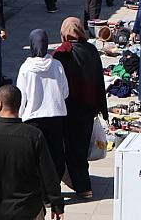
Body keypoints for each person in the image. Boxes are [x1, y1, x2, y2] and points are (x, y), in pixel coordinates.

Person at [0, 85, 64, 220]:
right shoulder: (34, 135)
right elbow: (48, 174)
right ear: (20, 105)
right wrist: (57, 203)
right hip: (28, 210)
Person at [53, 17, 109, 199]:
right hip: (87, 107)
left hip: (68, 108)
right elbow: (98, 79)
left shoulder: (61, 53)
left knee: (67, 147)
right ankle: (82, 184)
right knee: (80, 147)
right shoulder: (91, 50)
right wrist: (100, 105)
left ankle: (80, 185)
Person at [17, 29, 69, 187]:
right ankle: (54, 187)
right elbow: (65, 92)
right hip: (56, 115)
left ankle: (42, 192)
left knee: (36, 156)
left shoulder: (26, 68)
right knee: (56, 153)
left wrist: (19, 117)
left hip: (33, 119)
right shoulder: (57, 64)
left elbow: (21, 96)